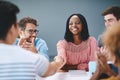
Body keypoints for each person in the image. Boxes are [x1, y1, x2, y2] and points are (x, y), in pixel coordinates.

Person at [0, 0, 65, 79]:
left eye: (35, 31)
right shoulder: (30, 58)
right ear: (14, 29)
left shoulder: (40, 43)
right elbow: (50, 69)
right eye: (30, 31)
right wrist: (59, 61)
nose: (34, 34)